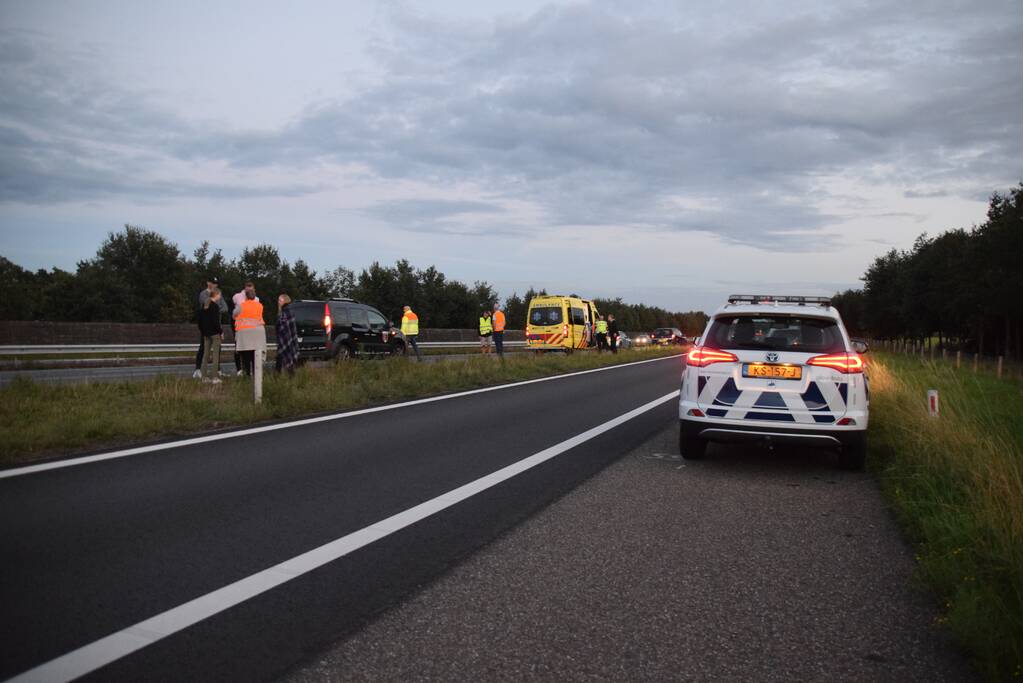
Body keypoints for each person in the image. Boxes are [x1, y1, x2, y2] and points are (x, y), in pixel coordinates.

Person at [194, 276, 226, 378]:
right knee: (204, 349)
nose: (215, 285)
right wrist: (215, 309)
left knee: (217, 350)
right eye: (213, 283)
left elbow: (225, 307)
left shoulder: (218, 295)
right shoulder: (203, 294)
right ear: (208, 283)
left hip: (214, 326)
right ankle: (199, 369)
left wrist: (215, 310)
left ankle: (216, 370)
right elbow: (206, 306)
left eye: (216, 283)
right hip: (208, 327)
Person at [233, 287, 266, 376]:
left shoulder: (241, 305)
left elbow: (234, 314)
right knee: (256, 354)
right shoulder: (260, 305)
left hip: (245, 333)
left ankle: (247, 374)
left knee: (246, 355)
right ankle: (256, 374)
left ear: (246, 297)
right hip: (258, 332)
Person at [275, 293, 300, 375]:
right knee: (286, 357)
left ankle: (278, 376)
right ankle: (288, 376)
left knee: (281, 356)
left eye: (280, 300)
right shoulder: (291, 311)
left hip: (285, 339)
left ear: (284, 301)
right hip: (289, 340)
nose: (278, 302)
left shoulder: (284, 313)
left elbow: (283, 329)